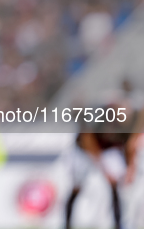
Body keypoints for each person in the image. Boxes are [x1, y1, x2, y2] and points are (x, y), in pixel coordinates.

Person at [65, 87, 143, 229]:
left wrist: (130, 168)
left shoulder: (129, 123)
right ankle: (67, 223)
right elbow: (89, 143)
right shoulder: (98, 119)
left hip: (107, 151)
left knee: (115, 187)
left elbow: (130, 146)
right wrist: (105, 170)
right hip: (84, 152)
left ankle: (118, 223)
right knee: (77, 187)